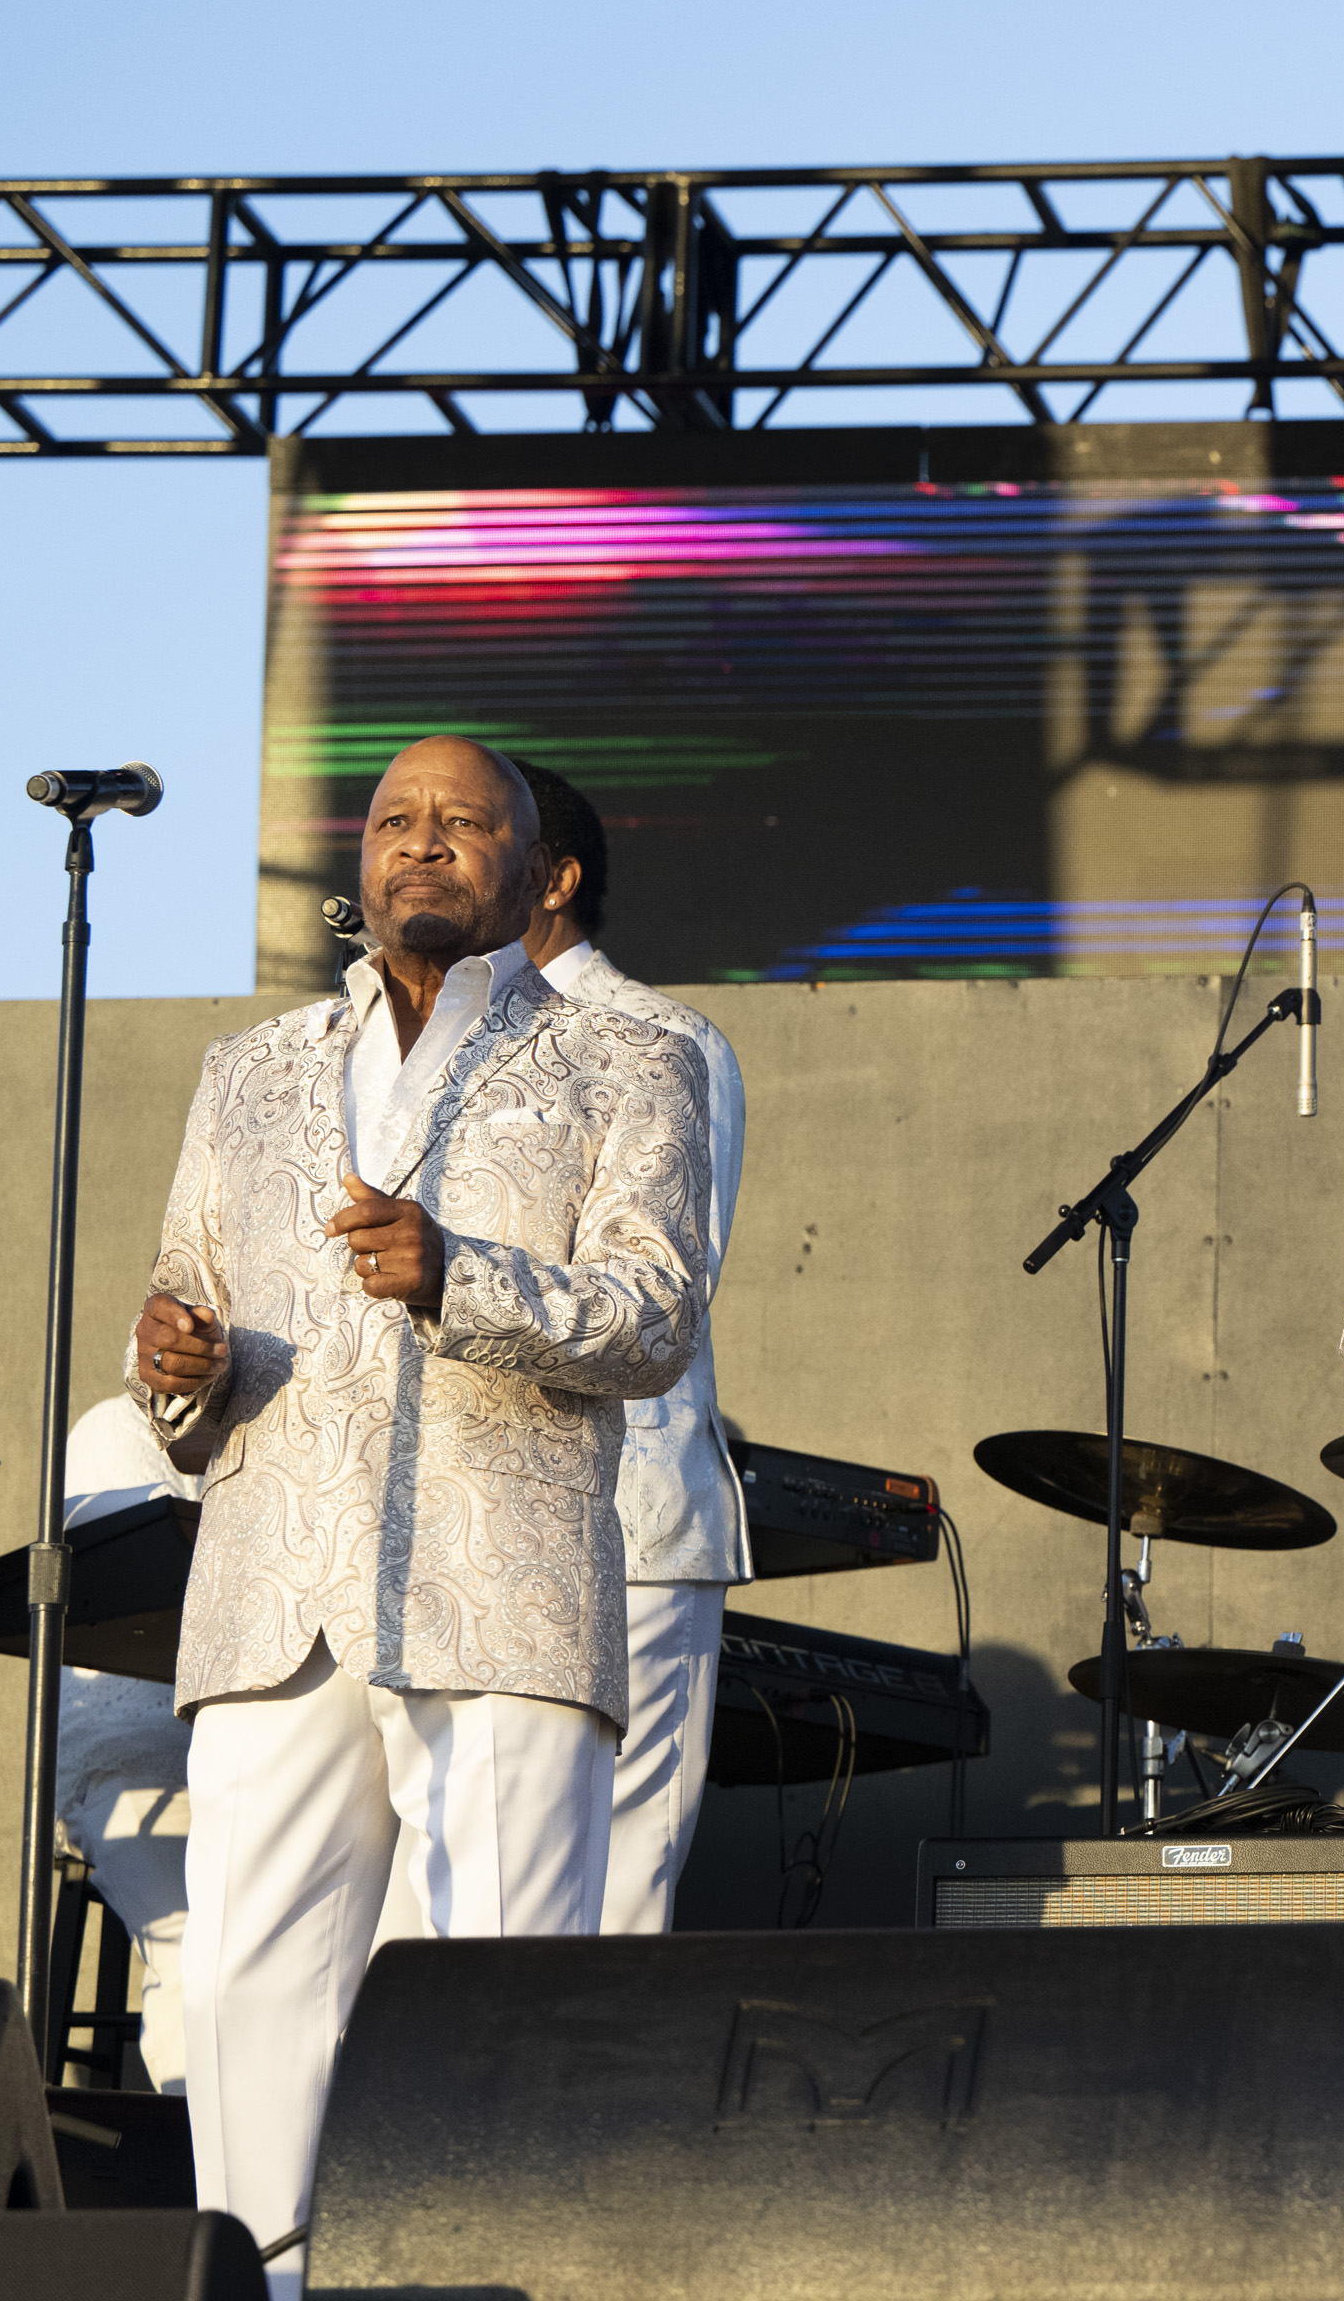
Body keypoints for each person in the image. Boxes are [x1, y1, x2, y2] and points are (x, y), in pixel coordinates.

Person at [127, 734, 711, 2290]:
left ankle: (487, 2274)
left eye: (464, 822)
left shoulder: (629, 1058)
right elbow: (196, 1307)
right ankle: (268, 2279)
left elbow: (652, 1321)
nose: (423, 843)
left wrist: (460, 1274)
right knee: (249, 1984)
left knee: (495, 1978)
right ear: (360, 862)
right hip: (273, 1590)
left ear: (536, 872)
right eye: (395, 820)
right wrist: (177, 1370)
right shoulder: (246, 1071)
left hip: (499, 1583)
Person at [513, 758, 752, 1936]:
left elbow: (655, 1296)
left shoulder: (663, 1042)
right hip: (474, 1535)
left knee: (610, 1910)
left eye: (470, 838)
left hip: (632, 1523)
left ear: (552, 880)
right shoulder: (425, 1049)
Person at [52, 1397, 199, 2095]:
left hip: (273, 1745)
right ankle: (194, 2178)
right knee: (203, 1948)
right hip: (140, 1759)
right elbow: (126, 1601)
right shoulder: (116, 1430)